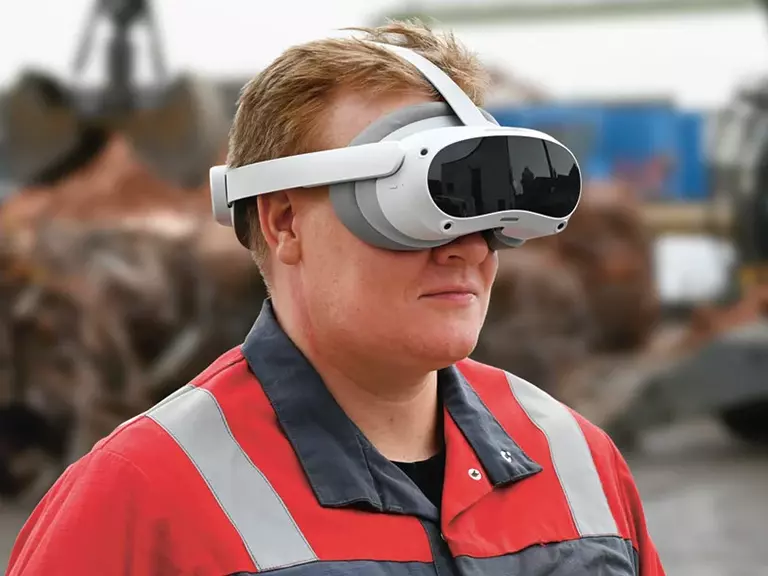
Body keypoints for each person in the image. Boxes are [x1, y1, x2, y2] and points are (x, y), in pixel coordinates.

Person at [7, 21, 665, 575]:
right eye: (419, 200)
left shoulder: (580, 462)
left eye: (487, 203)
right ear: (284, 221)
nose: (468, 245)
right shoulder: (142, 496)